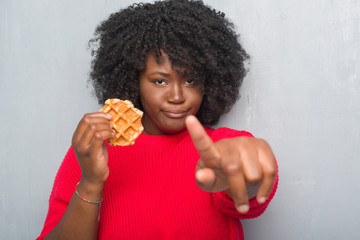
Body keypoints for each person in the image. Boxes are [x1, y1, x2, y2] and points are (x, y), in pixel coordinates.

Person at [37, 0, 278, 239]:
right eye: (160, 81)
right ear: (134, 81)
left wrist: (248, 177)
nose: (177, 96)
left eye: (190, 80)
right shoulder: (91, 152)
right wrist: (90, 181)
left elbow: (246, 179)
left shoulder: (221, 147)